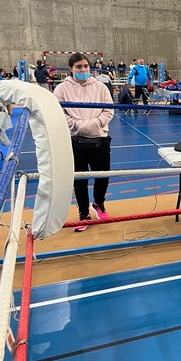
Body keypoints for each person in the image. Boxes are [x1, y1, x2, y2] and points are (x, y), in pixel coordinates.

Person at [53, 53, 114, 232]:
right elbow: (59, 113)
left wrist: (94, 124)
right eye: (79, 67)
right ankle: (83, 213)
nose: (83, 69)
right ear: (71, 69)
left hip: (100, 139)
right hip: (75, 141)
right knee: (79, 180)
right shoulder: (61, 89)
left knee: (103, 176)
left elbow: (109, 111)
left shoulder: (101, 87)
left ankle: (99, 204)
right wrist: (79, 126)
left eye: (86, 66)